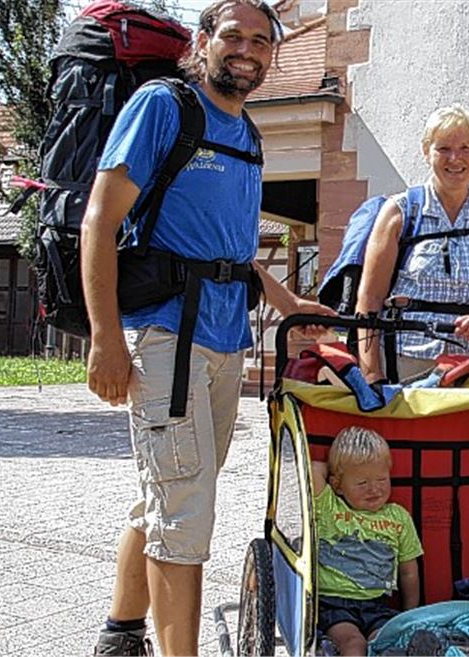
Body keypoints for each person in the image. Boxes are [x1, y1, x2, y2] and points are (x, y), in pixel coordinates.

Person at [83, 2, 334, 654]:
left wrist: (286, 299)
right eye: (233, 35)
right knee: (185, 511)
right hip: (166, 333)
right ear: (203, 41)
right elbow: (98, 222)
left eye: (261, 39)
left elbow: (234, 247)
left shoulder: (247, 132)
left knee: (170, 492)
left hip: (225, 337)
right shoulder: (164, 107)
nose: (247, 49)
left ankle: (119, 634)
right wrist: (106, 338)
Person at [356, 104, 469, 382]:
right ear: (426, 152)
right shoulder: (400, 212)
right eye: (443, 148)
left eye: (466, 148)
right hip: (405, 358)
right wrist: (371, 374)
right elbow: (370, 298)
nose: (455, 158)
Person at [312, 427, 422, 656]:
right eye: (362, 483)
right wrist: (336, 476)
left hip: (377, 605)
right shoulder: (330, 507)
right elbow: (312, 470)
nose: (374, 489)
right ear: (338, 485)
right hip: (335, 605)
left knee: (386, 644)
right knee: (354, 645)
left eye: (382, 479)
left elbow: (408, 572)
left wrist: (409, 613)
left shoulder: (398, 517)